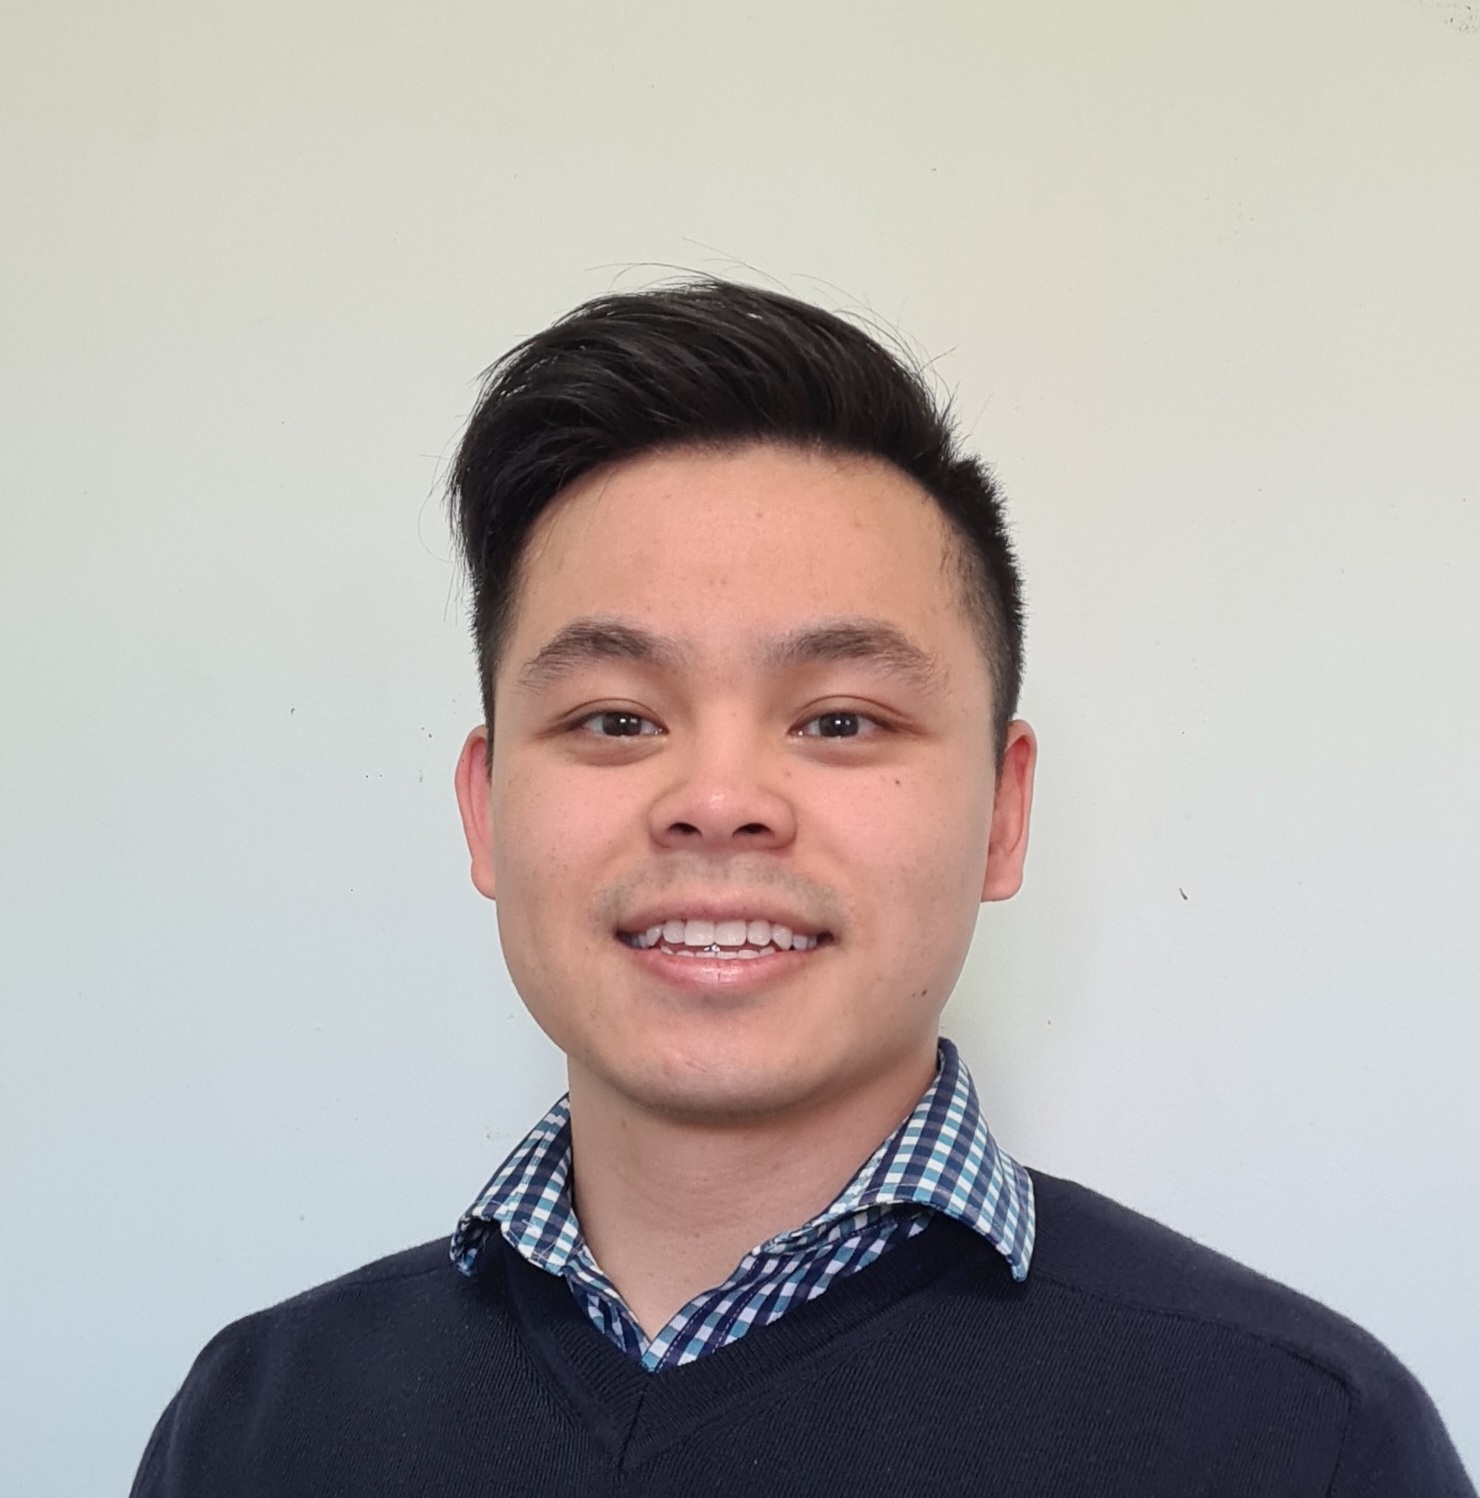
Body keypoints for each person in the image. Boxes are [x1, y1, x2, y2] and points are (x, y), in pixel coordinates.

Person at [130, 280, 1475, 1497]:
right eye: (615, 718)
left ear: (1004, 814)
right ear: (485, 809)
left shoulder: (1297, 1440)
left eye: (838, 720)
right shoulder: (255, 1427)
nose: (718, 797)